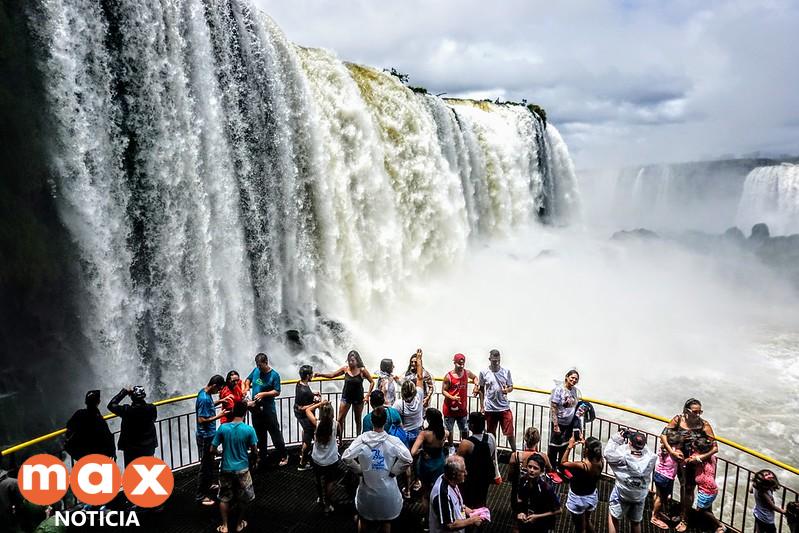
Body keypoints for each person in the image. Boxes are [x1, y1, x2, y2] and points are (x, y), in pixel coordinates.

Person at [341, 406, 413, 532]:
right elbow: (408, 458)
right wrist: (394, 471)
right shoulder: (392, 441)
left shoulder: (362, 440)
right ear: (385, 422)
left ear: (371, 422)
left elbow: (346, 457)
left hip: (367, 492)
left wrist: (359, 469)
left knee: (363, 521)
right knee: (386, 522)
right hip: (387, 492)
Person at [660, 398, 718, 532]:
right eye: (695, 411)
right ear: (686, 411)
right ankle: (683, 514)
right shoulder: (678, 419)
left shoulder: (704, 425)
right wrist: (671, 451)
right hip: (681, 460)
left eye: (700, 412)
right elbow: (663, 435)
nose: (698, 415)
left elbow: (715, 448)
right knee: (684, 486)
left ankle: (686, 519)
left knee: (693, 489)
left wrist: (698, 458)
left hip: (697, 463)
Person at [211, 400, 258, 533]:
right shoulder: (249, 430)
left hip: (226, 468)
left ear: (233, 411)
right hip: (242, 469)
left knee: (224, 498)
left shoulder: (223, 428)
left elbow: (212, 449)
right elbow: (254, 450)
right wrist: (255, 460)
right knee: (243, 498)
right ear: (245, 412)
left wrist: (219, 453)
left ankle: (225, 526)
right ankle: (238, 524)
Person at [604, 429, 656, 533]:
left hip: (622, 493)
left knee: (614, 519)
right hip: (640, 495)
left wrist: (617, 438)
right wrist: (638, 441)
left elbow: (607, 453)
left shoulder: (622, 457)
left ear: (630, 442)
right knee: (636, 522)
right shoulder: (651, 458)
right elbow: (643, 448)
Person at [314, 350, 374, 436]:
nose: (350, 362)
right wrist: (320, 375)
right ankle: (340, 438)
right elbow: (332, 375)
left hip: (358, 398)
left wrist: (368, 395)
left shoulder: (362, 370)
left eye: (352, 360)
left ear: (357, 361)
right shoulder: (345, 369)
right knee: (340, 419)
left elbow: (372, 382)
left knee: (357, 419)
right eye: (349, 360)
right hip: (346, 397)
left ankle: (358, 437)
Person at [243, 352, 287, 467]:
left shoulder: (274, 375)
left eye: (260, 365)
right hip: (256, 410)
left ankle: (283, 455)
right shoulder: (256, 371)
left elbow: (277, 391)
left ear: (266, 362)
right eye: (257, 365)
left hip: (268, 410)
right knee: (259, 434)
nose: (258, 367)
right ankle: (263, 456)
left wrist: (263, 394)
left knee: (275, 433)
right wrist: (247, 388)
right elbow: (247, 380)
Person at [393, 348, 426, 497]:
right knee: (417, 459)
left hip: (405, 435)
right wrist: (419, 359)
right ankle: (418, 481)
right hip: (418, 433)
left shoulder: (399, 404)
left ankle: (406, 489)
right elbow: (420, 377)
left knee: (407, 460)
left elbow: (395, 419)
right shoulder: (419, 397)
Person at [411, 408, 449, 527]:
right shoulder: (445, 432)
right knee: (438, 491)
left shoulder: (424, 434)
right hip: (440, 464)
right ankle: (439, 516)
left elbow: (413, 452)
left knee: (426, 493)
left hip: (426, 465)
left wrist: (423, 451)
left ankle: (426, 520)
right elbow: (449, 445)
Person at [429, 455, 484, 533]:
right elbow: (450, 525)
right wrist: (471, 520)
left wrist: (469, 511)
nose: (466, 473)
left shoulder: (451, 481)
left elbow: (456, 505)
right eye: (463, 471)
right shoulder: (442, 494)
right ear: (454, 474)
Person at [196, 374, 228, 505]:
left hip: (208, 435)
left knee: (210, 463)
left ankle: (208, 485)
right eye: (219, 389)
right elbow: (201, 419)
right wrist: (219, 416)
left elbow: (208, 406)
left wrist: (220, 401)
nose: (219, 392)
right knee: (205, 466)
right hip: (205, 437)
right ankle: (200, 495)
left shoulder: (204, 393)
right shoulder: (204, 398)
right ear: (214, 385)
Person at [305, 399, 341, 513]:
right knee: (329, 482)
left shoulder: (317, 423)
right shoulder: (336, 425)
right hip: (331, 459)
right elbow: (339, 436)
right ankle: (327, 505)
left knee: (317, 479)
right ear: (332, 413)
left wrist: (320, 404)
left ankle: (320, 497)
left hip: (317, 459)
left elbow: (307, 410)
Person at [561, 437, 603, 533]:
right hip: (591, 497)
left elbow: (563, 463)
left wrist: (569, 447)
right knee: (587, 521)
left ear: (587, 450)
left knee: (580, 528)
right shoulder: (601, 462)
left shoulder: (581, 466)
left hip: (577, 499)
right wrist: (586, 443)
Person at [107, 385, 157, 466]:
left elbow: (111, 405)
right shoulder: (151, 408)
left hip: (132, 449)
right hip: (148, 446)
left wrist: (124, 392)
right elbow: (153, 419)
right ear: (144, 396)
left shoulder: (127, 410)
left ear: (132, 397)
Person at [456, 411, 496, 509]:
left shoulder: (466, 443)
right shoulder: (491, 437)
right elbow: (492, 455)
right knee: (482, 499)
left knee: (467, 501)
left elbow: (457, 462)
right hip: (485, 475)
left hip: (471, 477)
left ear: (472, 425)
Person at [479, 349, 516, 452]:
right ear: (489, 359)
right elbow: (481, 389)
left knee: (509, 433)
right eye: (493, 360)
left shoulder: (506, 371)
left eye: (497, 360)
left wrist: (507, 390)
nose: (495, 362)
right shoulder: (483, 372)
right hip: (490, 408)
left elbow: (511, 386)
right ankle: (492, 454)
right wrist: (482, 405)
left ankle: (515, 454)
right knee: (491, 434)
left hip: (504, 407)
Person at [513, 454, 561, 533]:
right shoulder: (523, 480)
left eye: (535, 468)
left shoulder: (546, 488)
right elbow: (520, 499)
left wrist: (537, 517)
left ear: (541, 471)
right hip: (526, 520)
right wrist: (520, 512)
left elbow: (559, 510)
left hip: (540, 524)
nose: (531, 470)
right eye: (529, 466)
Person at [441, 353, 479, 453]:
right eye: (459, 364)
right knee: (449, 430)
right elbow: (443, 391)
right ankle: (451, 447)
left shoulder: (466, 373)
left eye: (463, 364)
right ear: (454, 362)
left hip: (462, 409)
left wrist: (476, 386)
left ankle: (464, 446)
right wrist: (452, 397)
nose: (461, 366)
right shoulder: (448, 376)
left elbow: (475, 377)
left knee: (465, 429)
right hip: (449, 409)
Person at [64, 390, 115, 461]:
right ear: (98, 402)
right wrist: (111, 451)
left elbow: (69, 427)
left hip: (83, 453)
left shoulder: (79, 414)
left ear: (86, 402)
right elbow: (107, 434)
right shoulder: (98, 418)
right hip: (97, 454)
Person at [548, 369, 581, 469]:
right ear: (567, 377)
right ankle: (551, 469)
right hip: (559, 422)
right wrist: (556, 425)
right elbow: (553, 407)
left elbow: (575, 406)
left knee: (564, 446)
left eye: (576, 379)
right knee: (554, 447)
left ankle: (561, 467)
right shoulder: (559, 389)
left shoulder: (575, 390)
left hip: (569, 424)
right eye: (572, 377)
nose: (574, 380)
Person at [690, 436, 724, 533]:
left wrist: (713, 450)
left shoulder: (707, 458)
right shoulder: (707, 457)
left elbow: (693, 460)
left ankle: (719, 525)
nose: (693, 450)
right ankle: (710, 526)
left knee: (701, 510)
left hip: (707, 490)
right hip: (705, 489)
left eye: (695, 449)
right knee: (707, 509)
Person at [651, 429, 682, 529]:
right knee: (661, 497)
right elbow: (683, 462)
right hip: (666, 478)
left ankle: (657, 512)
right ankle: (654, 516)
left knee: (658, 494)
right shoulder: (676, 452)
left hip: (658, 473)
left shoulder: (663, 448)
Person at [295, 365, 320, 471]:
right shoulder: (303, 390)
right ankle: (302, 464)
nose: (313, 375)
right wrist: (316, 403)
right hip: (305, 416)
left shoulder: (300, 384)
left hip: (302, 415)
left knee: (306, 433)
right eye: (311, 374)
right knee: (308, 439)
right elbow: (301, 408)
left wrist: (312, 394)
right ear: (307, 376)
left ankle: (302, 455)